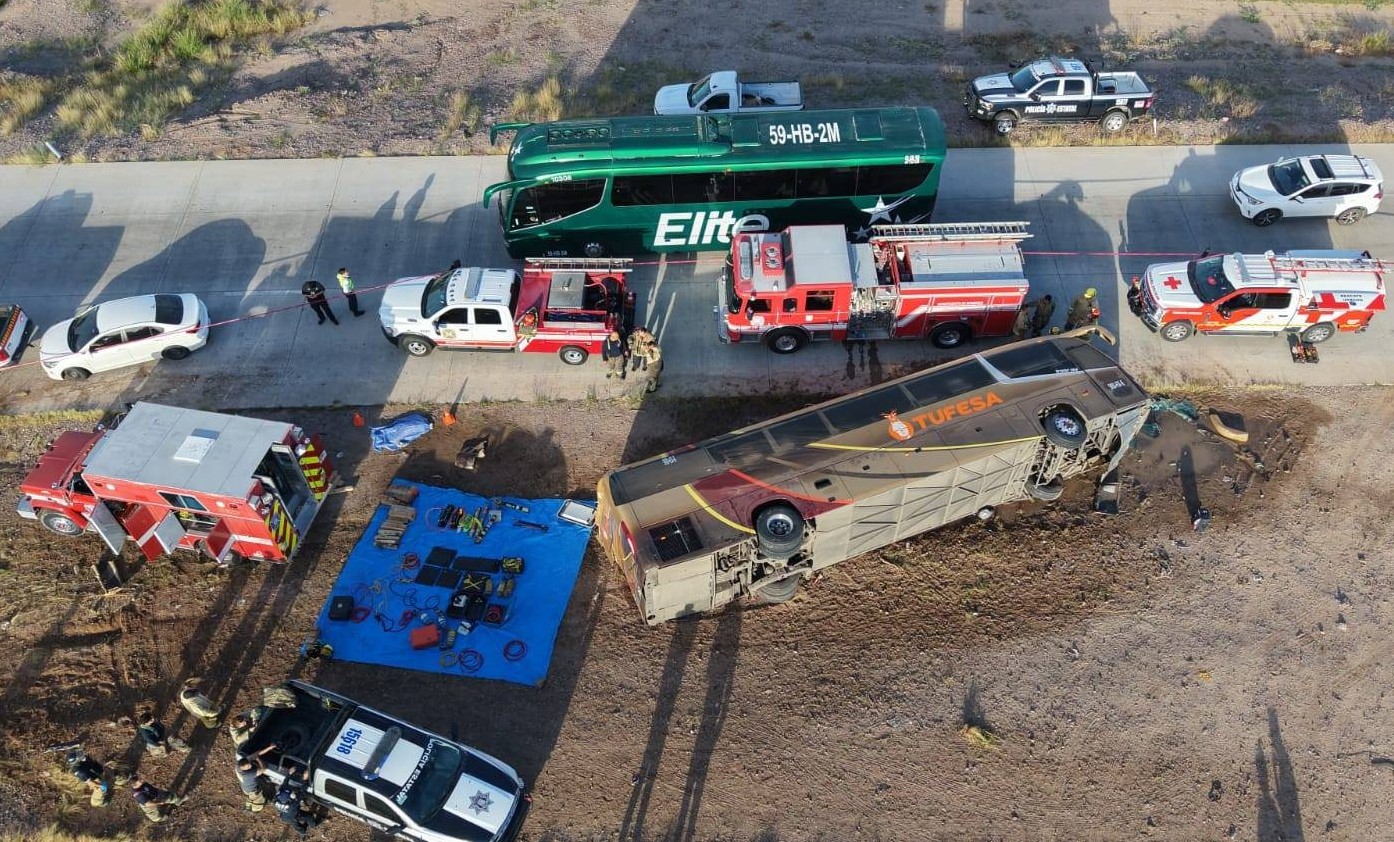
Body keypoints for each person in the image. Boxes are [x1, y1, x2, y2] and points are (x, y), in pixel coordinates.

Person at [273, 767, 322, 835]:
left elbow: (284, 785)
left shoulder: (278, 798)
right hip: (293, 815)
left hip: (284, 816)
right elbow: (302, 791)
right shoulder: (292, 804)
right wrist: (305, 779)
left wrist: (289, 774)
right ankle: (316, 823)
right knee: (309, 817)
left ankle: (302, 832)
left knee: (296, 825)